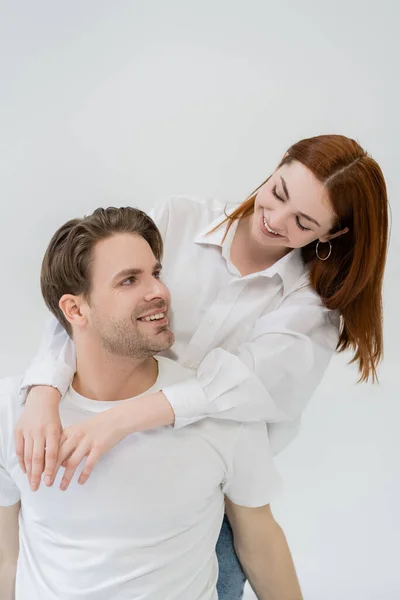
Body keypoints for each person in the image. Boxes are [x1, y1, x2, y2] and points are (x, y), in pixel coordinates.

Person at [14, 134, 389, 600]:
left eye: (303, 222)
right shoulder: (179, 218)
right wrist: (42, 393)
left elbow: (236, 389)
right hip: (100, 460)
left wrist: (120, 421)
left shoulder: (309, 313)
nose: (273, 219)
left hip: (210, 499)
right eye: (278, 193)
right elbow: (88, 302)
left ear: (330, 235)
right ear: (278, 165)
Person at [0, 207, 302, 600]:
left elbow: (260, 545)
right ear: (76, 310)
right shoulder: (17, 410)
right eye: (129, 280)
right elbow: (8, 557)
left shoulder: (220, 409)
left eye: (156, 273)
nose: (159, 291)